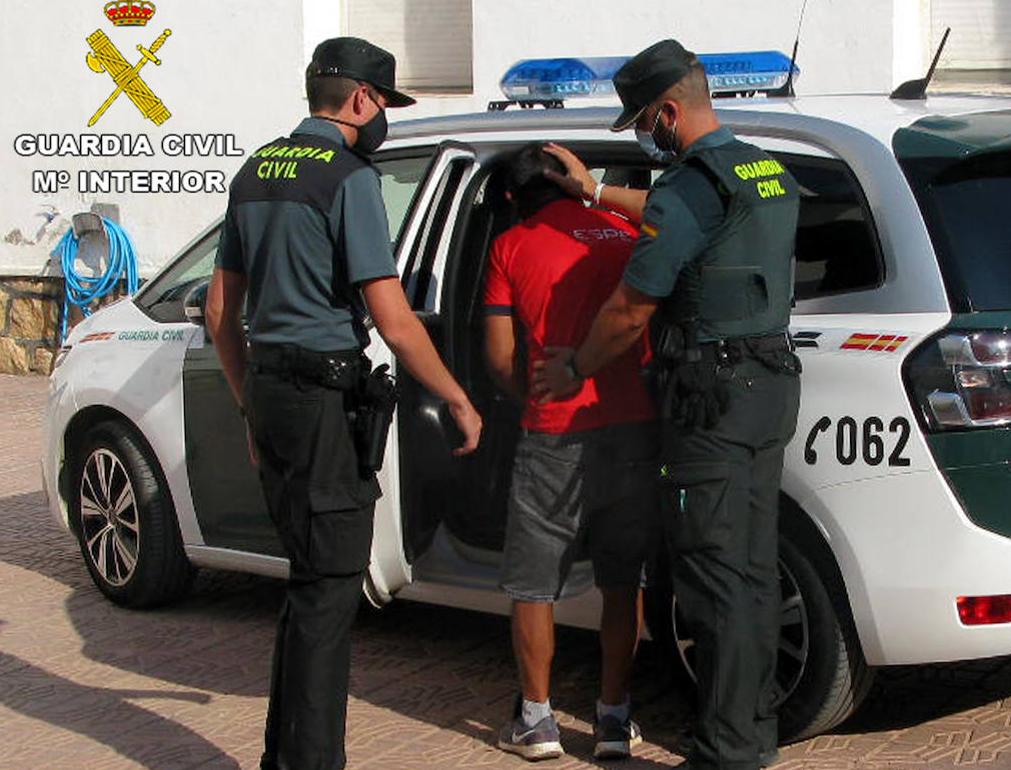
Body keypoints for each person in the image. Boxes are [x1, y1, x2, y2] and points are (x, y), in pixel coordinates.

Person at [204, 36, 482, 770]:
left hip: (271, 389)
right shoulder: (349, 178)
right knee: (329, 591)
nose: (385, 114)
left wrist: (249, 404)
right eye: (385, 101)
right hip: (322, 398)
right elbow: (394, 319)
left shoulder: (255, 170)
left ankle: (283, 757)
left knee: (307, 584)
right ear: (362, 99)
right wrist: (456, 396)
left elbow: (218, 312)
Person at [533, 39, 802, 770]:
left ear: (669, 113)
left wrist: (575, 368)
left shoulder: (691, 186)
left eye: (643, 122)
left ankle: (723, 753)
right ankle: (751, 738)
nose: (644, 136)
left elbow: (630, 310)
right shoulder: (759, 169)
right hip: (767, 386)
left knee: (713, 581)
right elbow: (675, 211)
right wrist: (594, 193)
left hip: (710, 399)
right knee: (751, 573)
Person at [483, 142, 660, 761]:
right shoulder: (624, 230)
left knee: (534, 585)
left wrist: (529, 394)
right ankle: (613, 718)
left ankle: (536, 721)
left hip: (554, 430)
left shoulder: (510, 246)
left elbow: (499, 355)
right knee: (623, 580)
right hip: (635, 424)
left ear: (513, 197)